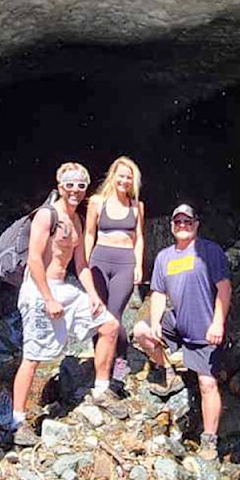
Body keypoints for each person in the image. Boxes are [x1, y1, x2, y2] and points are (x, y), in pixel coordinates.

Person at [11, 162, 129, 446]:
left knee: (110, 325)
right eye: (70, 184)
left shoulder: (76, 220)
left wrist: (93, 296)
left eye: (81, 185)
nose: (75, 190)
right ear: (60, 185)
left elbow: (82, 264)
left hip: (64, 287)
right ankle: (17, 422)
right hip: (39, 290)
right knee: (33, 357)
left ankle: (101, 390)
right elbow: (35, 259)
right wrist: (48, 298)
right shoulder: (46, 215)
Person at [132, 203, 232, 461]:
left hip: (204, 330)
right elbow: (158, 293)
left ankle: (209, 440)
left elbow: (224, 288)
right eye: (178, 222)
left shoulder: (210, 251)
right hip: (175, 324)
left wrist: (218, 323)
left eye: (188, 221)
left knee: (207, 383)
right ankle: (167, 370)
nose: (183, 225)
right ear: (172, 226)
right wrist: (155, 322)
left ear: (196, 224)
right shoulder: (165, 257)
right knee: (141, 331)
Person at [84, 156, 146, 390]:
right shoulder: (97, 202)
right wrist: (86, 263)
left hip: (125, 263)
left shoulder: (137, 206)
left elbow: (139, 238)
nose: (124, 180)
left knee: (114, 315)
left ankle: (120, 358)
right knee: (98, 313)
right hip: (99, 261)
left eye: (129, 177)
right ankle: (99, 362)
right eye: (121, 175)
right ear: (113, 176)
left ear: (133, 181)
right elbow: (89, 233)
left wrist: (139, 265)